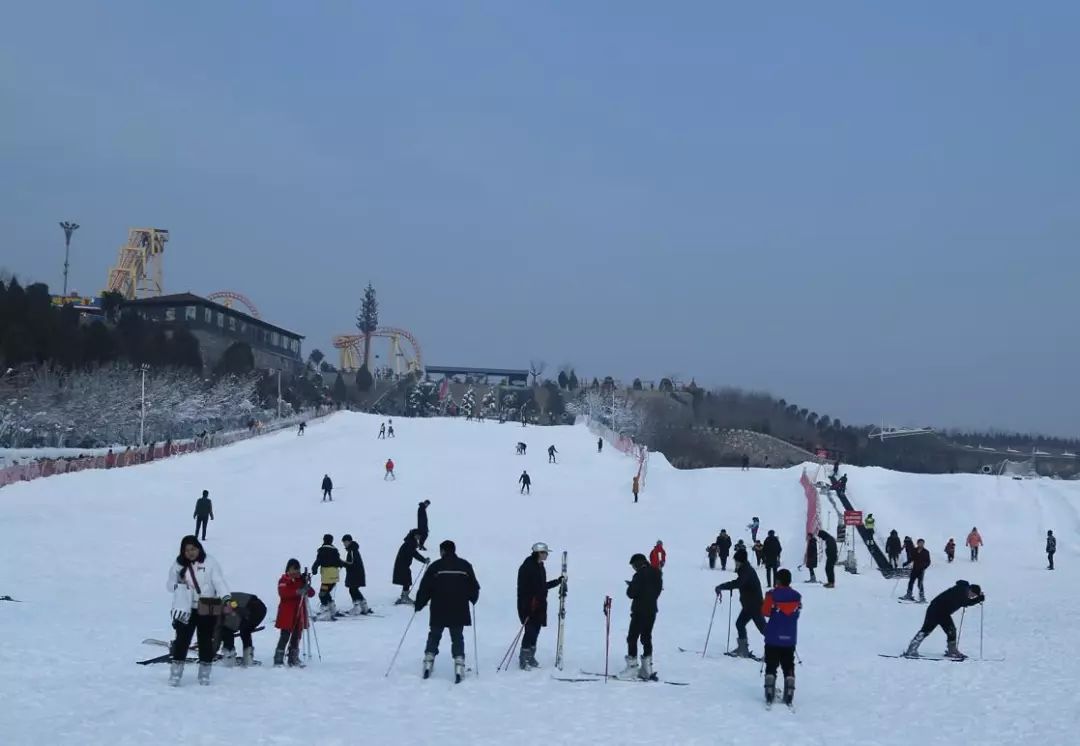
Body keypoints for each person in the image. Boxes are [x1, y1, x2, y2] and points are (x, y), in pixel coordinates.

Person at [167, 535, 232, 686]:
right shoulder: (178, 564)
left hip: (208, 605)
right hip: (186, 607)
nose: (190, 552)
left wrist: (226, 598)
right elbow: (169, 586)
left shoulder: (210, 562)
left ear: (199, 548)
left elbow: (218, 581)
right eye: (187, 550)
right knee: (182, 640)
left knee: (205, 641)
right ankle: (176, 673)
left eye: (193, 549)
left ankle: (204, 674)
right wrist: (178, 582)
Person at [415, 539, 480, 682]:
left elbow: (426, 587)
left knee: (434, 635)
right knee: (457, 637)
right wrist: (473, 598)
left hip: (439, 607)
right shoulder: (465, 565)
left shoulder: (436, 566)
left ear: (442, 551)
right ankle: (459, 665)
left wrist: (419, 604)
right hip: (459, 608)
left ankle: (428, 662)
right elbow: (474, 586)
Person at [903, 581, 984, 659]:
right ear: (970, 590)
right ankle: (911, 650)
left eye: (973, 597)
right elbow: (966, 602)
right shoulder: (961, 590)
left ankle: (952, 651)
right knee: (927, 630)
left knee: (950, 630)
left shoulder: (963, 590)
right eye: (972, 595)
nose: (971, 597)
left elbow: (966, 601)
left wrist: (978, 598)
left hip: (942, 612)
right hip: (936, 610)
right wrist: (979, 599)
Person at [515, 542, 564, 669]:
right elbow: (525, 589)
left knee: (536, 630)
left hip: (539, 604)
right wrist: (528, 606)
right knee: (530, 631)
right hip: (529, 605)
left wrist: (558, 582)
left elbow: (542, 586)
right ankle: (523, 658)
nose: (547, 555)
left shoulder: (540, 566)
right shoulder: (528, 567)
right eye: (545, 553)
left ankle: (530, 656)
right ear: (539, 553)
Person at [761, 568, 801, 707]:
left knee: (771, 664)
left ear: (778, 580)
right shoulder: (796, 596)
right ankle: (789, 688)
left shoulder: (771, 595)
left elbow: (765, 612)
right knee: (788, 664)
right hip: (789, 637)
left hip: (773, 636)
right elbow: (796, 615)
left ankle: (770, 689)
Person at [620, 552, 663, 680]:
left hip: (639, 611)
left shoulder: (639, 575)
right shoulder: (656, 573)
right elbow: (657, 591)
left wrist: (632, 586)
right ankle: (647, 668)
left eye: (633, 566)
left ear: (638, 564)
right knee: (646, 637)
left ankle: (632, 668)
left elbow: (631, 594)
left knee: (632, 638)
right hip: (651, 610)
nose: (633, 568)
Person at [716, 549, 766, 657]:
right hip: (749, 605)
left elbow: (739, 583)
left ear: (741, 561)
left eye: (736, 561)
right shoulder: (744, 569)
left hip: (755, 605)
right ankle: (742, 649)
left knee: (764, 629)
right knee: (740, 624)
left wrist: (722, 586)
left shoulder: (746, 570)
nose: (735, 563)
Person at [274, 559, 315, 667]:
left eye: (297, 570)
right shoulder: (283, 580)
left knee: (296, 636)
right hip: (287, 614)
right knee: (285, 636)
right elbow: (283, 593)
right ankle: (278, 659)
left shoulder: (300, 581)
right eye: (293, 569)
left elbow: (311, 593)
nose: (295, 572)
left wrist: (307, 584)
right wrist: (297, 591)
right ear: (288, 569)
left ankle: (293, 658)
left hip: (299, 612)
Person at [219, 592, 267, 667]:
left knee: (227, 630)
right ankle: (248, 658)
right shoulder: (224, 594)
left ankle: (229, 657)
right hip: (261, 609)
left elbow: (232, 605)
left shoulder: (219, 601)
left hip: (249, 608)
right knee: (245, 631)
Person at [311, 534, 344, 620]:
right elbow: (339, 562)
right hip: (335, 576)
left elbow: (318, 561)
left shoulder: (322, 550)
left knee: (322, 594)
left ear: (324, 540)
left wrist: (314, 570)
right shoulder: (335, 550)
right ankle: (332, 609)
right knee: (327, 592)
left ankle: (325, 611)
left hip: (327, 577)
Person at [393, 530, 428, 604]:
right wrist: (424, 560)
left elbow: (413, 552)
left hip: (403, 563)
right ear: (414, 535)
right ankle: (404, 598)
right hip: (402, 564)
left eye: (420, 535)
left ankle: (404, 596)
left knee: (406, 579)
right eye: (418, 535)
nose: (419, 537)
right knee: (407, 579)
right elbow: (414, 553)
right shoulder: (410, 543)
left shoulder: (411, 541)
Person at [342, 534, 371, 615]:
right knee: (354, 589)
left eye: (345, 542)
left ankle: (357, 606)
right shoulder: (353, 549)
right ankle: (363, 605)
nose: (344, 544)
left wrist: (342, 563)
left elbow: (351, 563)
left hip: (354, 574)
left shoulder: (351, 550)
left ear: (349, 541)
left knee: (352, 589)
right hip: (357, 573)